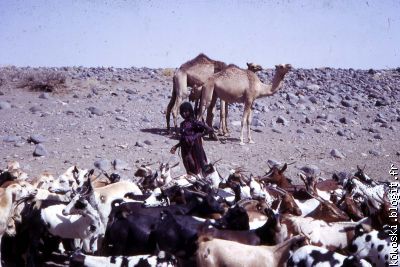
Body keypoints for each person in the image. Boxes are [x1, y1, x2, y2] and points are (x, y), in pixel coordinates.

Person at [170, 102, 214, 176]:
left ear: (190, 111)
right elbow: (183, 138)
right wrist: (176, 146)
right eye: (182, 112)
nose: (184, 114)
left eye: (186, 111)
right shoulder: (182, 124)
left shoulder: (194, 122)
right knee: (188, 166)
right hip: (185, 149)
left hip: (194, 148)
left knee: (196, 166)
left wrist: (196, 136)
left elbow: (210, 130)